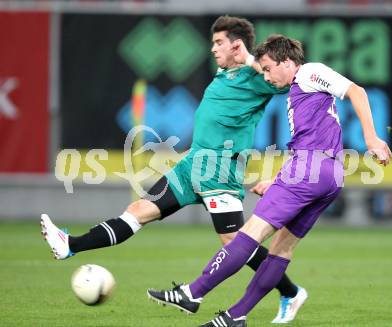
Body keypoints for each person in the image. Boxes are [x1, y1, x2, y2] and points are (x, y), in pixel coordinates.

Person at [41, 17, 304, 324]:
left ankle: (290, 291)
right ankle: (69, 246)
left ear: (236, 45)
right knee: (138, 210)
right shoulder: (226, 72)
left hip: (220, 171)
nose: (213, 49)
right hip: (191, 167)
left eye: (219, 43)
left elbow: (285, 79)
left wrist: (250, 59)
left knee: (236, 244)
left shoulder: (257, 76)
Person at [146, 35, 392, 327]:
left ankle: (193, 293)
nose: (265, 76)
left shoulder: (310, 72)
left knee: (247, 236)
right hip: (328, 175)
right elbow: (309, 140)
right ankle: (236, 316)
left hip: (308, 171)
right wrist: (277, 179)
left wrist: (371, 138)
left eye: (267, 68)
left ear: (287, 62)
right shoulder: (300, 92)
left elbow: (357, 92)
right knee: (281, 249)